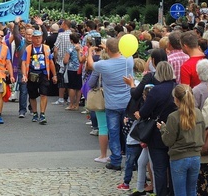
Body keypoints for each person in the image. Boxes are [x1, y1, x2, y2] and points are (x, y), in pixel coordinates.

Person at [87, 37, 133, 171]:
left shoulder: (103, 64)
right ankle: (131, 161)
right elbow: (127, 53)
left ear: (107, 50)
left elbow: (90, 64)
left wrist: (90, 51)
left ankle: (116, 160)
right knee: (129, 133)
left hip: (111, 103)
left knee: (113, 133)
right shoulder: (128, 61)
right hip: (127, 102)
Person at [137, 61, 177, 196]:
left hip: (157, 133)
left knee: (159, 168)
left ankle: (160, 193)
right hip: (175, 131)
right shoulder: (177, 88)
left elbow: (144, 112)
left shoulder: (156, 91)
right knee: (173, 168)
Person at [158, 84, 205, 196]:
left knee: (180, 192)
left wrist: (163, 129)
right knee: (192, 191)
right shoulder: (198, 113)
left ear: (176, 100)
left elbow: (168, 141)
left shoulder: (174, 117)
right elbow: (202, 132)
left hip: (179, 157)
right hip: (195, 156)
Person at [21, 29, 58, 125]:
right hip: (32, 73)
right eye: (35, 38)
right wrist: (24, 75)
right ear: (32, 38)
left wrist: (54, 75)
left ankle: (42, 114)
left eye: (39, 38)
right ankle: (34, 113)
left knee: (43, 94)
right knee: (32, 95)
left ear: (42, 38)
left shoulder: (46, 48)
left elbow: (51, 62)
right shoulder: (28, 49)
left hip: (43, 74)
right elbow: (24, 62)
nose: (37, 40)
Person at [52, 19, 74, 106]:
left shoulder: (61, 35)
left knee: (61, 81)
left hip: (61, 60)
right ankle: (69, 98)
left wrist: (55, 58)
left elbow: (56, 49)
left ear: (65, 25)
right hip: (71, 61)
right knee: (69, 80)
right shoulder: (73, 34)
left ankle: (61, 98)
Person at [62, 32, 82, 110]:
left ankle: (71, 104)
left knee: (72, 87)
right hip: (80, 68)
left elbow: (65, 61)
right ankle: (77, 104)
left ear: (71, 40)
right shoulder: (82, 47)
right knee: (78, 87)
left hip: (72, 68)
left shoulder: (70, 49)